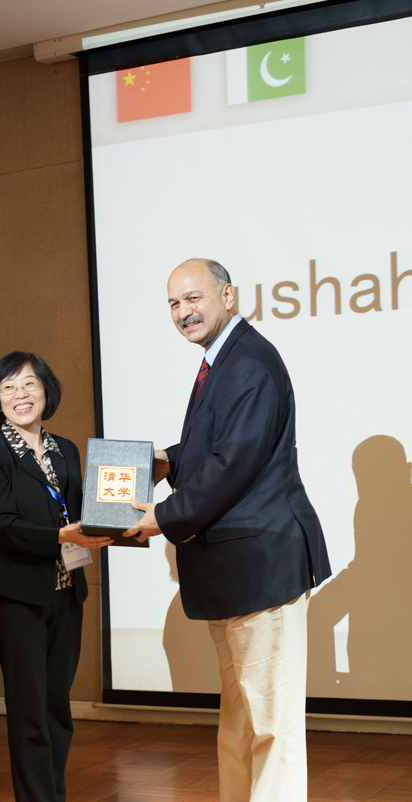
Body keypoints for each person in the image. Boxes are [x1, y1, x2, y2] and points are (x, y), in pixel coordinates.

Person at [125, 259, 331, 802]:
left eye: (193, 298)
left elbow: (232, 464)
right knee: (242, 722)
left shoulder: (249, 363)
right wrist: (168, 461)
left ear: (229, 295)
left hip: (263, 571)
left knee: (271, 728)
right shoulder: (221, 362)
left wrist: (160, 517)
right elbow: (216, 451)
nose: (182, 313)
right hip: (239, 573)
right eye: (172, 304)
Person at [0, 351, 112, 802]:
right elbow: (2, 526)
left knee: (57, 710)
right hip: (16, 597)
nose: (20, 395)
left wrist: (116, 516)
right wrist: (60, 534)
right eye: (8, 388)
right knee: (30, 713)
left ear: (46, 390)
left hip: (66, 593)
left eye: (29, 384)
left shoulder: (65, 449)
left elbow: (88, 512)